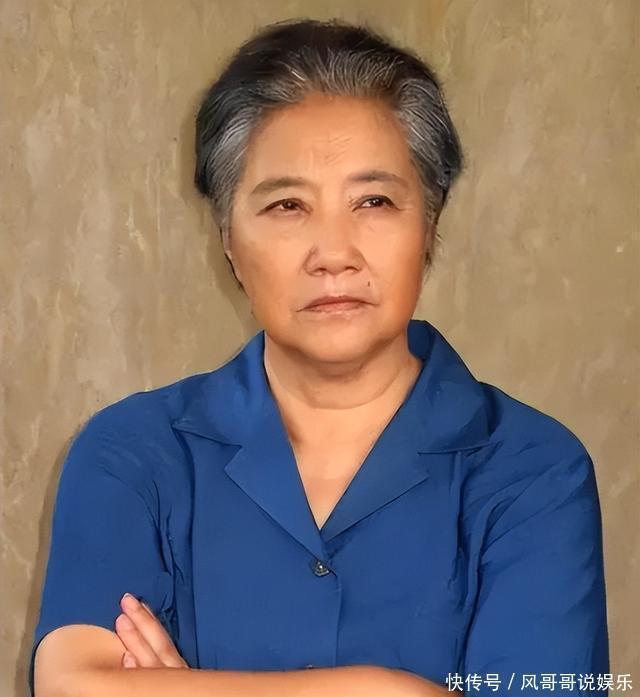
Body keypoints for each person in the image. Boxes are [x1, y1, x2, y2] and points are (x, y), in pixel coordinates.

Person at [30, 17, 609, 697]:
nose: (334, 254)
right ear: (227, 238)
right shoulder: (133, 453)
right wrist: (386, 689)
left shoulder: (534, 470)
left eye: (374, 201)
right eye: (286, 205)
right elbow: (73, 683)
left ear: (430, 223)